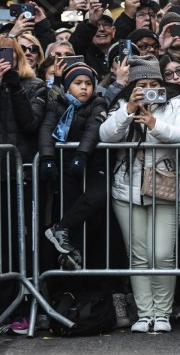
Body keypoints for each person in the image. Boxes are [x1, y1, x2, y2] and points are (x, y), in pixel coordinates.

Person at [99, 54, 180, 333]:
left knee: (161, 253)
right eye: (143, 84)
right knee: (138, 255)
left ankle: (162, 313)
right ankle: (144, 313)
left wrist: (153, 123)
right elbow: (106, 135)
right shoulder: (122, 105)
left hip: (165, 186)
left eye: (154, 83)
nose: (149, 89)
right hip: (126, 189)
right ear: (133, 87)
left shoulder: (175, 104)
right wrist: (128, 110)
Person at [0, 35, 47, 335]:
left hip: (19, 177)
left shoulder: (35, 86)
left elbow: (30, 125)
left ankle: (19, 306)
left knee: (19, 246)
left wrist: (13, 85)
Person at [40, 63, 107, 270]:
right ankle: (71, 258)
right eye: (78, 83)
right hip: (66, 165)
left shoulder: (98, 103)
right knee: (71, 207)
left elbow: (93, 129)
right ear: (68, 86)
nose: (84, 87)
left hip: (91, 163)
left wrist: (82, 154)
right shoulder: (57, 104)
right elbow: (46, 130)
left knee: (97, 196)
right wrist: (47, 158)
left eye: (88, 83)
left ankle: (60, 228)